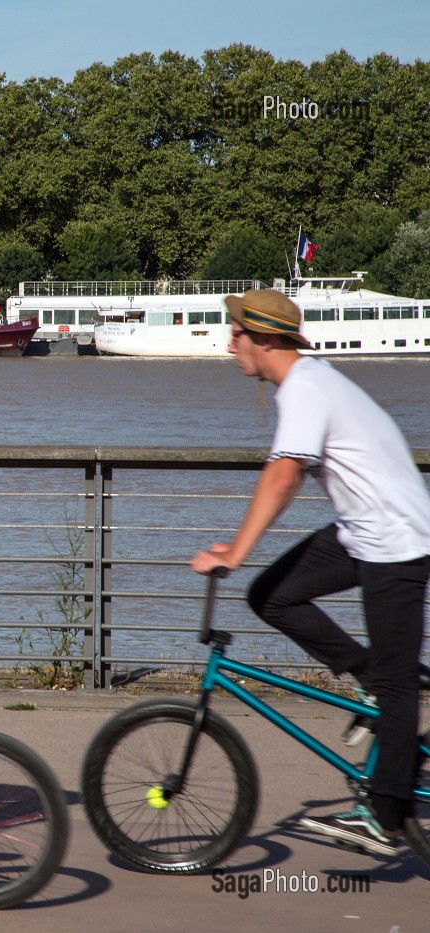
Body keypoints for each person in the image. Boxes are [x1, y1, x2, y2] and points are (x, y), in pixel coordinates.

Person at [191, 288, 430, 858]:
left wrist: (235, 551)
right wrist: (243, 553)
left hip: (396, 543)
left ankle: (385, 817)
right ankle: (374, 678)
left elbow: (283, 476)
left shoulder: (305, 388)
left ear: (265, 339)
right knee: (272, 595)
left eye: (237, 335)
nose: (230, 346)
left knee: (398, 690)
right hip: (360, 532)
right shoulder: (308, 383)